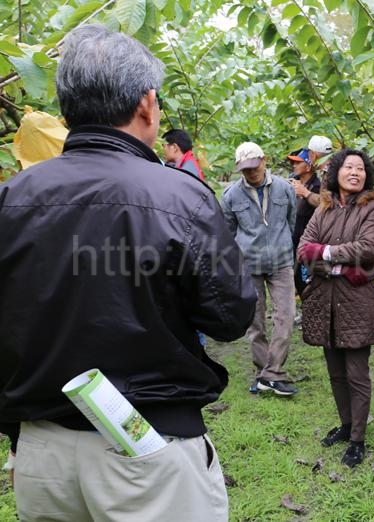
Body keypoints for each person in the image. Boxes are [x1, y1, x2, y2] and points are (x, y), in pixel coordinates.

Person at [0, 25, 257, 522]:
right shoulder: (179, 195)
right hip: (146, 448)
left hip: (40, 453)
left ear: (67, 106)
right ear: (146, 104)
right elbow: (230, 316)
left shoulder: (12, 199)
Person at [297, 148, 374, 467]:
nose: (355, 172)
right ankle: (346, 424)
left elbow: (367, 250)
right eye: (349, 167)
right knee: (335, 372)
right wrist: (335, 262)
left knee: (356, 373)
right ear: (335, 171)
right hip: (326, 301)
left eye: (361, 168)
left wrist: (322, 254)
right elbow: (302, 249)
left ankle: (358, 439)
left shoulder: (373, 209)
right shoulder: (323, 208)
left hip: (357, 303)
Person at [221, 142, 299, 396]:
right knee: (255, 322)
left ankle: (272, 372)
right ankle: (262, 372)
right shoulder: (231, 195)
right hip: (249, 264)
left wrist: (286, 246)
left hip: (282, 261)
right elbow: (228, 232)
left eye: (254, 167)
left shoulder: (285, 188)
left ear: (264, 160)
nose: (251, 173)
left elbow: (292, 220)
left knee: (285, 316)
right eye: (245, 169)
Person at [288, 147, 322, 295]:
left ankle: (309, 313)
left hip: (308, 244)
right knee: (294, 280)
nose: (293, 166)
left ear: (308, 167)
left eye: (297, 163)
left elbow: (323, 205)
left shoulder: (317, 186)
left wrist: (305, 194)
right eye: (293, 163)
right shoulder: (292, 182)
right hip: (291, 242)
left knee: (306, 280)